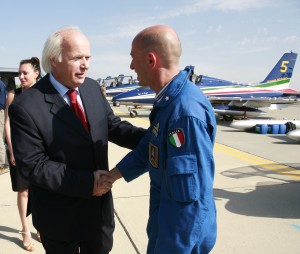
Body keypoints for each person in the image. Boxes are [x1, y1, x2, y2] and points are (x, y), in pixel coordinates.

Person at [8, 26, 145, 254]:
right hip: (59, 219)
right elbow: (33, 165)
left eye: (88, 57)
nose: (85, 65)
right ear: (54, 60)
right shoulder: (26, 105)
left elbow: (113, 126)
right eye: (77, 58)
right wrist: (88, 182)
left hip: (98, 215)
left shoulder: (91, 88)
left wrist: (152, 137)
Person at [108, 25, 217, 253]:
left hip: (177, 239)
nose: (130, 66)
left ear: (150, 59)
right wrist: (113, 175)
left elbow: (189, 202)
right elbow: (150, 147)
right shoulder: (168, 103)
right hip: (164, 226)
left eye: (132, 58)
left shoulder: (184, 113)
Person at [5, 57, 42, 252]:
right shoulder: (14, 94)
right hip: (17, 149)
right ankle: (25, 230)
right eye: (20, 73)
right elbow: (7, 123)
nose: (21, 77)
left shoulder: (42, 93)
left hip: (38, 150)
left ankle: (39, 226)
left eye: (24, 73)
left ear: (36, 73)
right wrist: (11, 150)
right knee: (24, 190)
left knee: (39, 189)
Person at [0, 77, 8, 174]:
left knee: (0, 139)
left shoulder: (0, 84)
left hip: (0, 111)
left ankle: (3, 165)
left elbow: (2, 103)